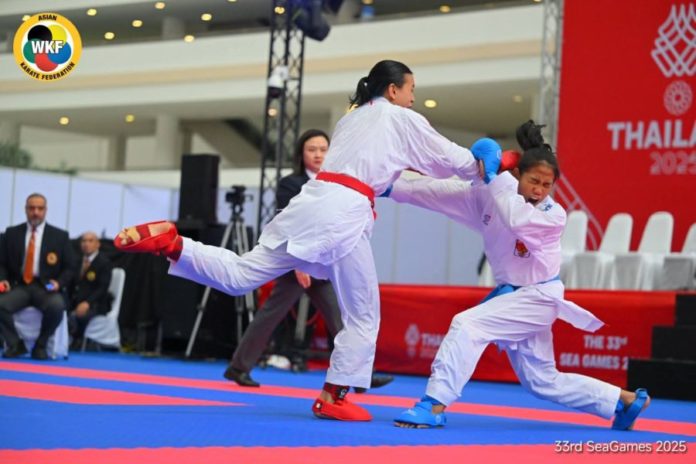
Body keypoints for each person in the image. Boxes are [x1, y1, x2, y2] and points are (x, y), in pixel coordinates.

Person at [114, 59, 487, 422]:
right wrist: (486, 161)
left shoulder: (351, 119)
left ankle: (175, 244)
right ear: (393, 90)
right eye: (411, 89)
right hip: (343, 214)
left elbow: (389, 165)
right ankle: (333, 397)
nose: (413, 98)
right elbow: (447, 158)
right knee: (363, 313)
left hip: (311, 203)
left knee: (242, 274)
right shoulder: (399, 117)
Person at [391, 120, 649, 431]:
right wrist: (385, 187)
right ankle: (626, 400)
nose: (539, 190)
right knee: (542, 381)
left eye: (547, 185)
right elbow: (439, 193)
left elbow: (516, 218)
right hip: (515, 297)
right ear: (518, 174)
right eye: (533, 181)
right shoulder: (491, 195)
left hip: (538, 297)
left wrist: (495, 174)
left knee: (467, 324)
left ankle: (434, 404)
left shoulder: (552, 216)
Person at [223, 129, 393, 391]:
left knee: (340, 318)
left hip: (324, 264)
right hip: (294, 262)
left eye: (323, 149)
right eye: (312, 149)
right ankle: (238, 367)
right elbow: (290, 224)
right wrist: (300, 264)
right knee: (270, 315)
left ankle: (359, 375)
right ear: (301, 154)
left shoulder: (339, 184)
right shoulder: (290, 184)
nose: (318, 154)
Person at [0, 193, 75, 360]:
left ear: (45, 210)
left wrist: (59, 282)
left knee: (57, 306)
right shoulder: (11, 233)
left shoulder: (60, 236)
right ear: (26, 210)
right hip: (19, 286)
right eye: (32, 208)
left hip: (45, 287)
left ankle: (41, 345)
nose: (35, 212)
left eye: (40, 208)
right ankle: (15, 344)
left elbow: (70, 267)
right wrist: (2, 279)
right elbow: (1, 263)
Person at [68, 231, 114, 349]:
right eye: (84, 241)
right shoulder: (77, 261)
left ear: (98, 244)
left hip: (96, 303)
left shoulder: (104, 262)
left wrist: (87, 303)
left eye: (90, 241)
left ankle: (78, 340)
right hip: (77, 300)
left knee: (80, 315)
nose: (86, 244)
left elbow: (103, 288)